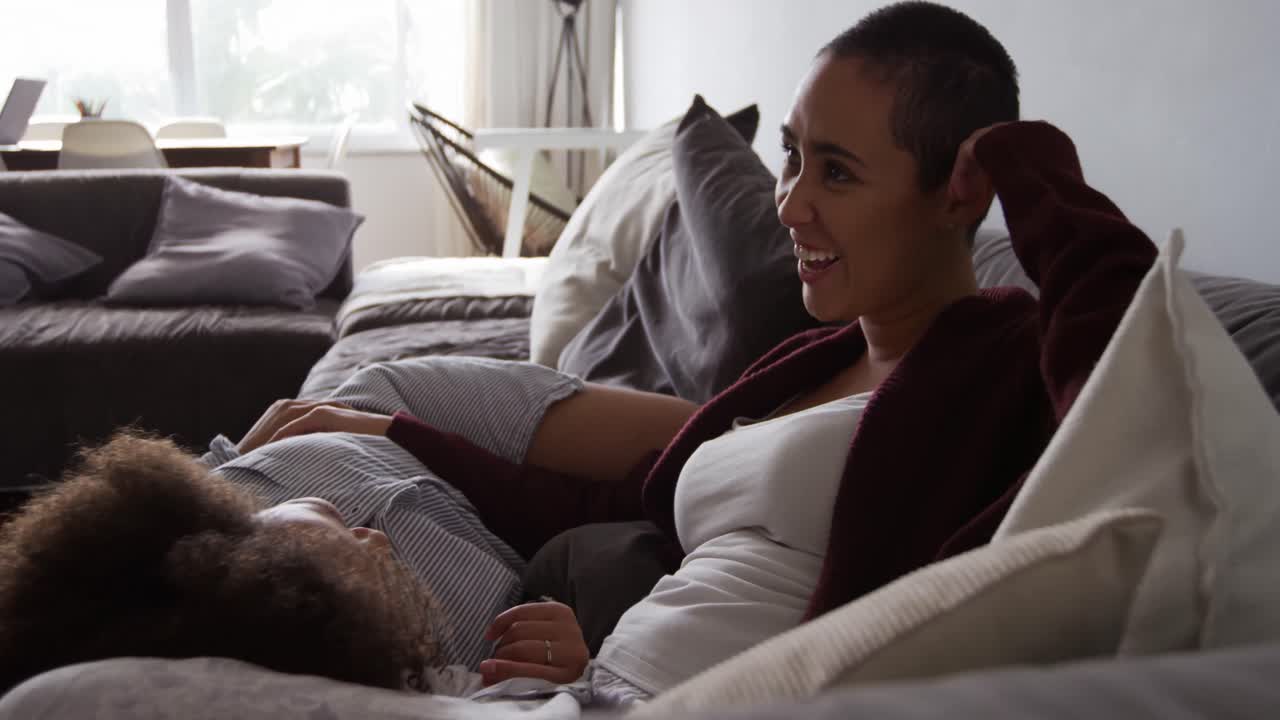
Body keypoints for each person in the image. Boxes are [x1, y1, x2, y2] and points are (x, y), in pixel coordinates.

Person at [0, 0, 1158, 705]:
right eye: (792, 158)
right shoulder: (806, 364)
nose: (791, 205)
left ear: (961, 189)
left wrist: (1028, 162)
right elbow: (609, 497)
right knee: (112, 639)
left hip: (676, 701)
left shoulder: (1003, 356)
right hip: (579, 685)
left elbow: (1142, 398)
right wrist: (393, 431)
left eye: (836, 173)